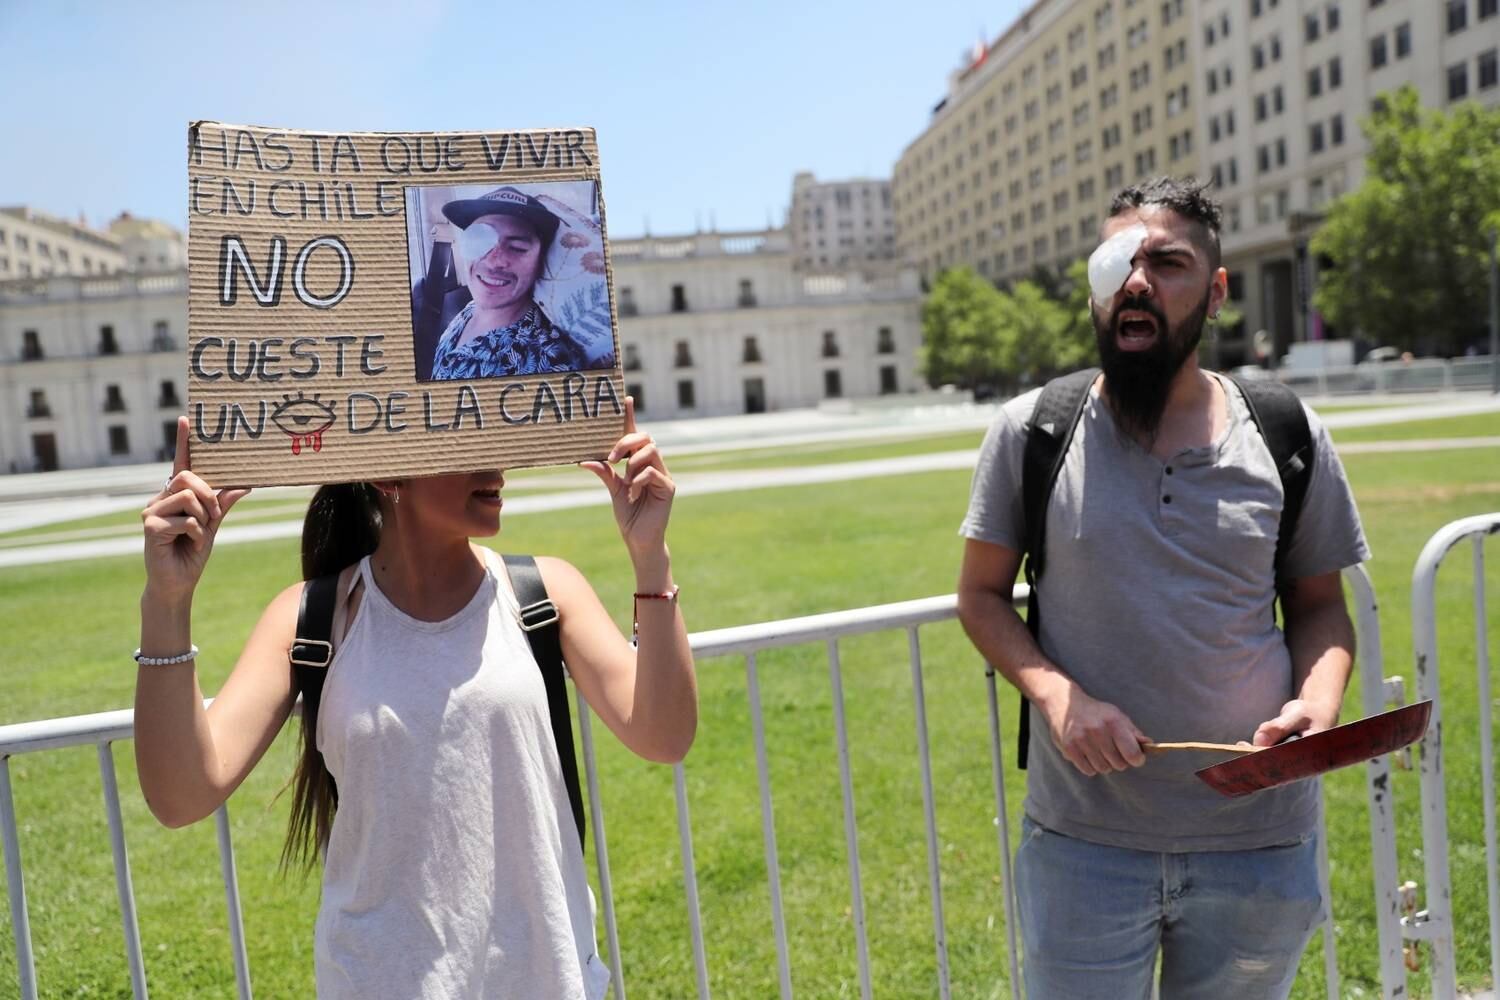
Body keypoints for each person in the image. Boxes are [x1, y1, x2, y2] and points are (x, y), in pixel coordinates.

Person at [956, 177, 1368, 999]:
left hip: (1259, 845)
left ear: (1216, 292)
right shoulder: (1033, 431)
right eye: (1118, 261)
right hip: (1084, 846)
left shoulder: (1285, 433)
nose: (1137, 281)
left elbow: (1321, 605)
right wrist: (1059, 698)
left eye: (1168, 263)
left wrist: (1317, 706)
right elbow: (981, 596)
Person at [135, 398, 693, 999]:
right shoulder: (312, 617)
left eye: (495, 436)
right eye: (465, 440)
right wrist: (168, 600)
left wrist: (650, 556)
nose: (496, 464)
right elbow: (181, 795)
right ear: (388, 472)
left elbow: (664, 736)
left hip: (543, 979)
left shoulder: (543, 591)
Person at [429, 185, 611, 380]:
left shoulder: (546, 361)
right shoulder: (468, 311)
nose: (494, 261)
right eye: (480, 238)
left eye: (517, 247)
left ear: (541, 261)